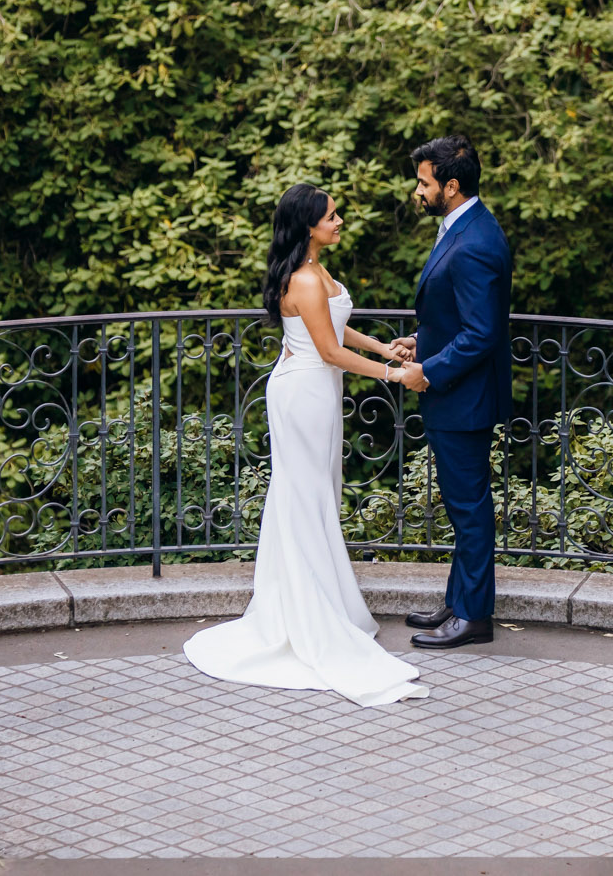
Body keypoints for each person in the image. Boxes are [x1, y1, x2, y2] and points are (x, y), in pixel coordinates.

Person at [182, 183, 429, 705]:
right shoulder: (304, 279)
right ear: (308, 227)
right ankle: (301, 612)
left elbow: (338, 329)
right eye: (332, 216)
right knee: (301, 494)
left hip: (315, 389)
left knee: (316, 493)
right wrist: (395, 374)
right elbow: (328, 351)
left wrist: (383, 344)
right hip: (305, 392)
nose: (340, 221)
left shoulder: (318, 272)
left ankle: (324, 601)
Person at [388, 135, 514, 650]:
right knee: (462, 505)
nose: (417, 190)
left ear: (451, 185)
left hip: (463, 398)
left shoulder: (478, 241)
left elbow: (483, 334)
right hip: (456, 393)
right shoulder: (462, 228)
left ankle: (473, 616)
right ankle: (457, 601)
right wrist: (422, 340)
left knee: (469, 508)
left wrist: (430, 370)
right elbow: (460, 317)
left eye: (424, 182)